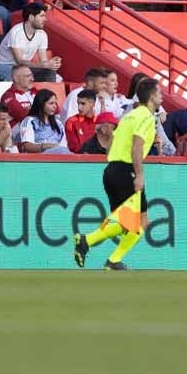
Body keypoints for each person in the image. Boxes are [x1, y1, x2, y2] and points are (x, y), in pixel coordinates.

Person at [73, 77, 164, 271]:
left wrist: (113, 160)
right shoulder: (146, 116)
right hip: (126, 170)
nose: (162, 95)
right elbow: (137, 146)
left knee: (125, 222)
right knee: (139, 221)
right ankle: (90, 242)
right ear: (152, 96)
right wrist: (139, 175)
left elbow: (114, 138)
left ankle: (111, 260)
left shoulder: (129, 115)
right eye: (160, 92)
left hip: (112, 169)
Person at [0, 1, 61, 82]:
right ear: (31, 17)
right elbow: (20, 61)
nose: (45, 19)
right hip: (4, 66)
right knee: (20, 74)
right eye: (41, 16)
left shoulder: (42, 34)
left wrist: (51, 63)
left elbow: (43, 61)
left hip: (22, 68)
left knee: (49, 72)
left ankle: (45, 94)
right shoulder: (16, 32)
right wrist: (41, 65)